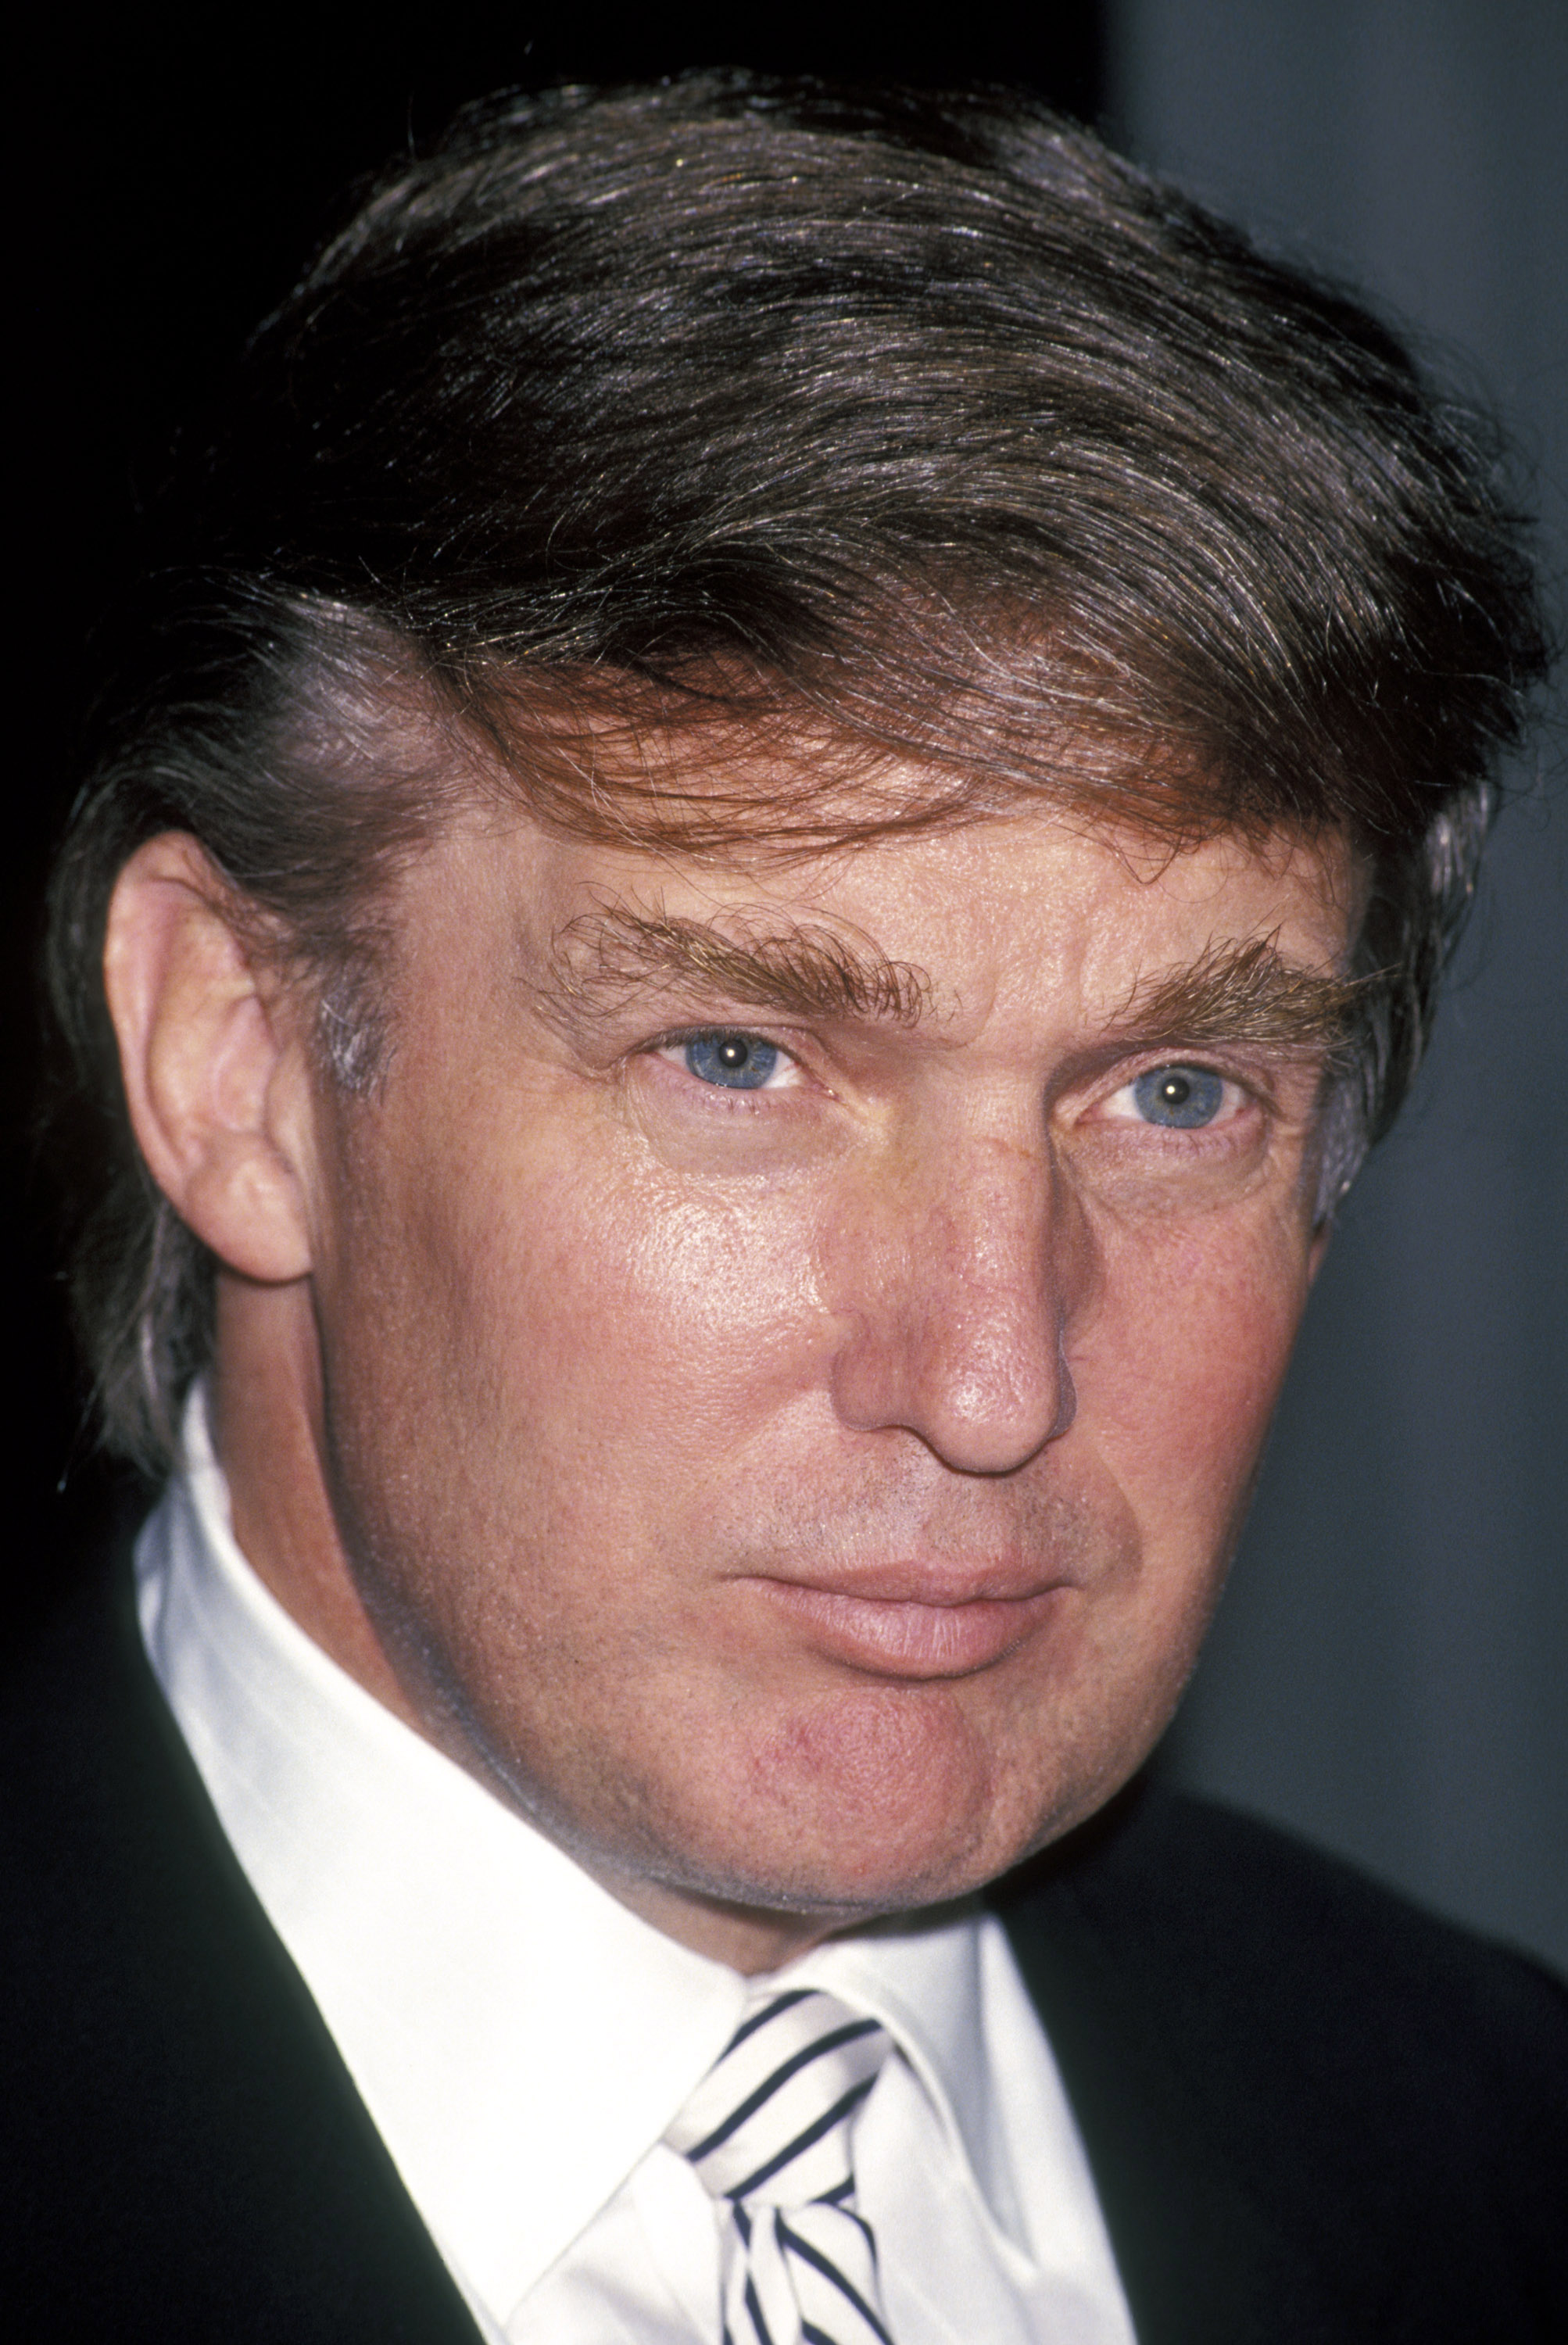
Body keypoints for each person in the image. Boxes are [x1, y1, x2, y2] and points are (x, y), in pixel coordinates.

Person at [4, 73, 1564, 2344]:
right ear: (235, 1063)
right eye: (740, 1060)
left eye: (1173, 1089)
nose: (991, 1377)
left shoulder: (1492, 2150)